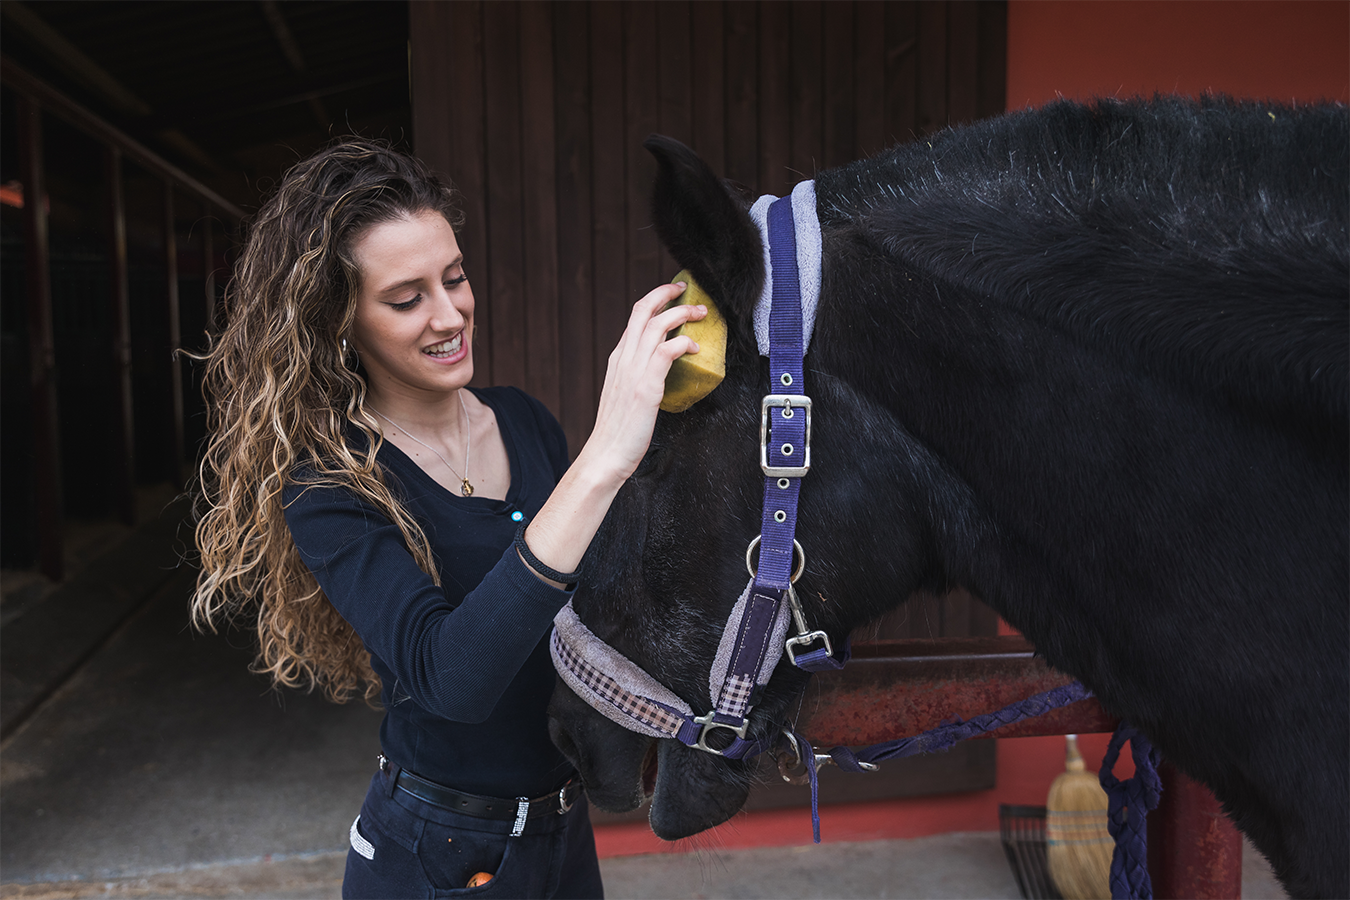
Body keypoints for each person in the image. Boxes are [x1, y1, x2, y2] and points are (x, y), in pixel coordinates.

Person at [190, 138, 704, 899]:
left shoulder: (523, 422)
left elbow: (594, 611)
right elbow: (451, 679)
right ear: (342, 321)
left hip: (564, 837)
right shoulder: (330, 483)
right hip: (438, 854)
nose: (449, 312)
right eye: (406, 298)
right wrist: (602, 460)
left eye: (454, 278)